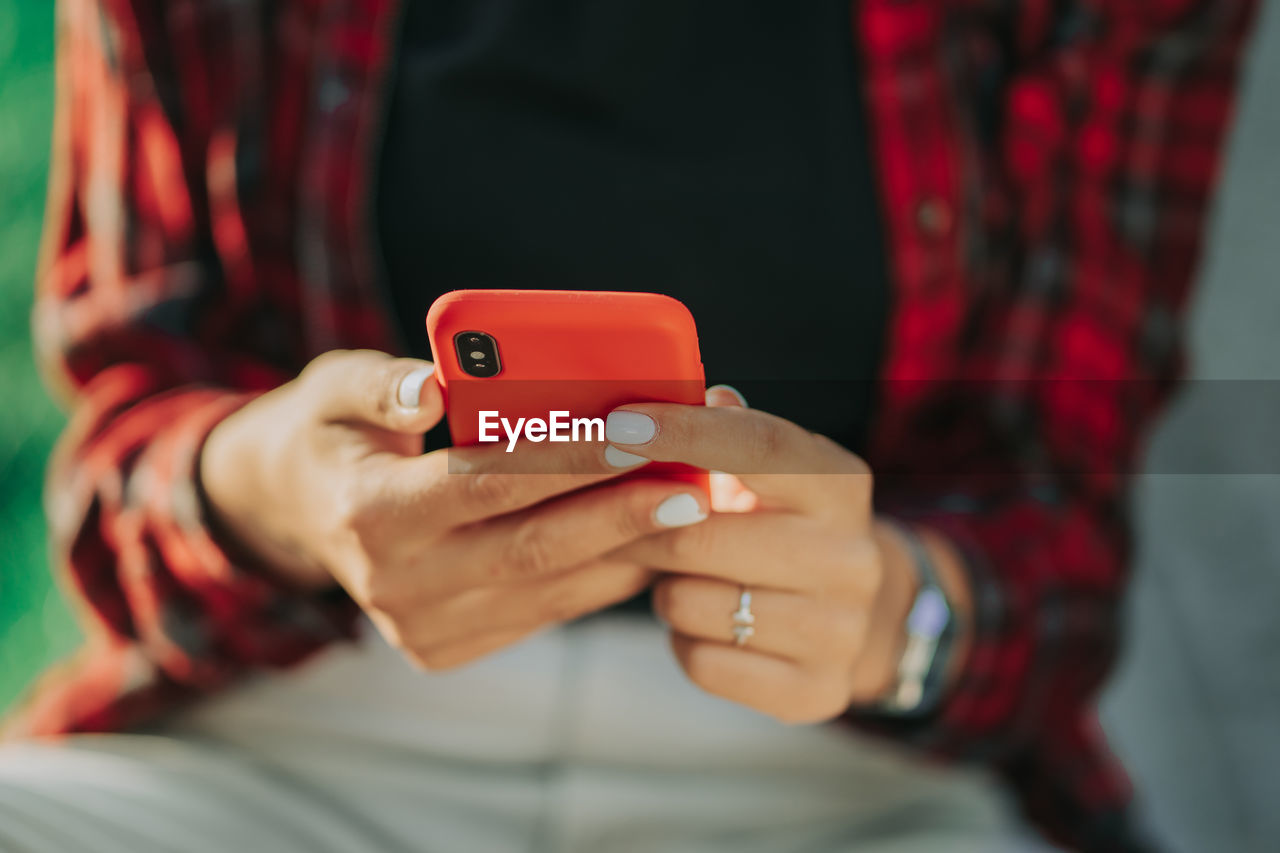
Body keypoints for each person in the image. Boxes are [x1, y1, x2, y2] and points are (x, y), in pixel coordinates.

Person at [0, 0, 1259, 850]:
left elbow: (1061, 544)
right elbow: (122, 452)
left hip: (832, 798)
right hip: (279, 762)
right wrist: (275, 488)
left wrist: (895, 614)